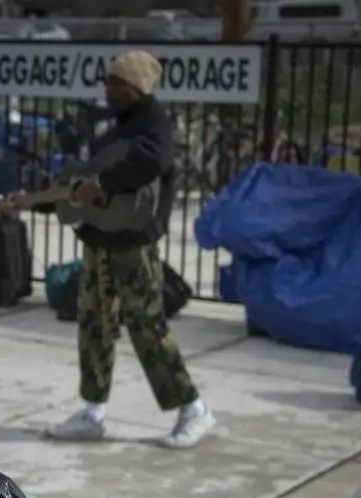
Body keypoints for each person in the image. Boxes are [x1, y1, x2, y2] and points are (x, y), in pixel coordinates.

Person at [44, 50, 215, 448]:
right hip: (100, 239)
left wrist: (105, 182)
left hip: (133, 244)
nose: (109, 90)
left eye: (117, 84)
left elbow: (151, 160)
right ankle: (93, 413)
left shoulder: (153, 124)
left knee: (146, 326)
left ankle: (194, 409)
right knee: (94, 325)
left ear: (136, 87)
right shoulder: (116, 128)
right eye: (108, 82)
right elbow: (86, 179)